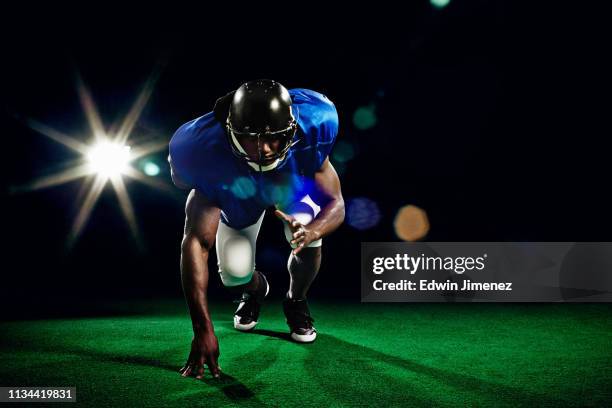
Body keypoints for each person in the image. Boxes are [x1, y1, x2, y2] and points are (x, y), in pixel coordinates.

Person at [168, 79, 344, 379]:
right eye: (250, 137)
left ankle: (295, 299)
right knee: (233, 274)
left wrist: (313, 231)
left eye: (273, 137)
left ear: (290, 128)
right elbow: (196, 241)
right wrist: (202, 329)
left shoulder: (315, 122)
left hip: (290, 190)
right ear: (230, 130)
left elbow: (336, 203)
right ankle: (254, 288)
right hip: (237, 196)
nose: (263, 148)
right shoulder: (201, 149)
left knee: (307, 234)